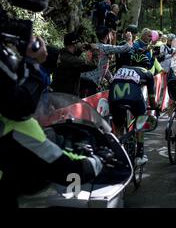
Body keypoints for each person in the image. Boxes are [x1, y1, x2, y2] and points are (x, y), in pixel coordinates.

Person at [0, 26, 103, 207]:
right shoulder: (18, 125)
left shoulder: (62, 57)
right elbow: (67, 168)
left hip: (59, 102)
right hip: (61, 105)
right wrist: (96, 160)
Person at [109, 52, 157, 165]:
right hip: (134, 98)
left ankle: (116, 151)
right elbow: (151, 98)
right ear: (146, 65)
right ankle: (139, 155)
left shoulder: (121, 69)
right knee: (140, 121)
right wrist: (155, 107)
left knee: (118, 125)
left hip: (114, 97)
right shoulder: (147, 73)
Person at [80, 27, 133, 97]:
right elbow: (125, 48)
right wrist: (129, 39)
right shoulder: (105, 47)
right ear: (107, 36)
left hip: (83, 78)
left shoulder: (94, 46)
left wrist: (112, 80)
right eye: (111, 34)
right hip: (91, 82)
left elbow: (102, 66)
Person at [51, 32, 98, 96]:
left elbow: (72, 62)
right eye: (79, 42)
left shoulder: (62, 53)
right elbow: (93, 64)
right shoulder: (71, 60)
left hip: (58, 93)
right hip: (66, 97)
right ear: (75, 44)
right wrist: (95, 50)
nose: (81, 44)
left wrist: (79, 51)